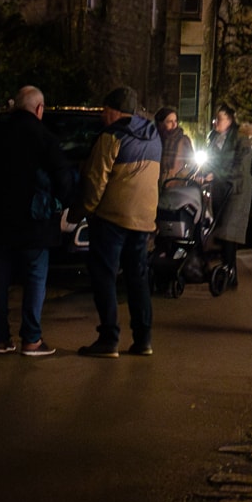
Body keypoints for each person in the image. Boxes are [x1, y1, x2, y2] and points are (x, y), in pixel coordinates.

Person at [0, 85, 73, 356]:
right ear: (39, 109)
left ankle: (1, 339)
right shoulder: (44, 137)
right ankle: (32, 339)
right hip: (35, 220)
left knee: (0, 277)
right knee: (35, 277)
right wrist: (58, 204)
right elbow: (63, 176)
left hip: (0, 221)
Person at [76, 86, 162, 357]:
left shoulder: (111, 136)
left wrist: (84, 209)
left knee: (104, 275)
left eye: (105, 110)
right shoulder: (154, 136)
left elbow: (96, 180)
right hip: (144, 218)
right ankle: (143, 339)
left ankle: (109, 339)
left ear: (114, 111)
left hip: (112, 218)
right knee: (137, 279)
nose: (103, 115)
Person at [205, 104, 252, 267]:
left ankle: (229, 270)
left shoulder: (241, 139)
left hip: (236, 190)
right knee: (221, 228)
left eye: (219, 119)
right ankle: (225, 268)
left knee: (229, 230)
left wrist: (216, 174)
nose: (215, 123)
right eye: (215, 119)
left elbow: (240, 167)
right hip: (220, 188)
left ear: (229, 120)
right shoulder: (214, 138)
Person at [155, 106, 195, 183]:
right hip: (156, 185)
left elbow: (192, 164)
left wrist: (179, 177)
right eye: (170, 121)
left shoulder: (183, 140)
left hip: (175, 186)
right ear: (160, 123)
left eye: (175, 121)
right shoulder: (155, 139)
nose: (174, 125)